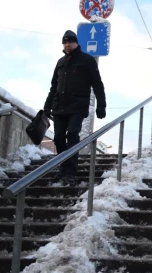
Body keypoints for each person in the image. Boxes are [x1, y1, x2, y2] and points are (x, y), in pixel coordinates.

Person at [44, 30, 106, 175]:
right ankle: (63, 165)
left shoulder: (87, 60)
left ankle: (71, 170)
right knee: (58, 137)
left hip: (78, 106)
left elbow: (97, 84)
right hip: (59, 106)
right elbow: (54, 86)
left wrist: (101, 105)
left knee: (72, 134)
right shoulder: (60, 62)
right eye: (65, 42)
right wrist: (47, 106)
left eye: (70, 42)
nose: (67, 45)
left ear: (77, 43)